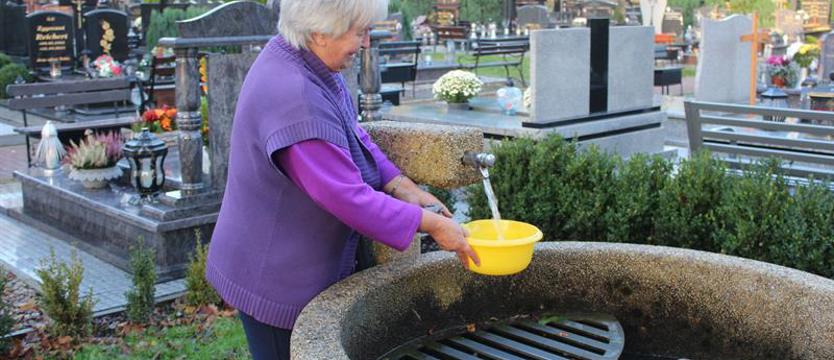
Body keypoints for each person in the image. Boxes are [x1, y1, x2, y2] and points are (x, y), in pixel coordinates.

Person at [204, 1, 480, 359]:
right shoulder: (293, 97)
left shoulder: (305, 60)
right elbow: (347, 198)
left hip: (288, 263)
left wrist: (401, 185)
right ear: (320, 31)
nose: (365, 43)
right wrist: (432, 225)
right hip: (275, 278)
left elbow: (352, 134)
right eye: (359, 32)